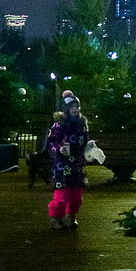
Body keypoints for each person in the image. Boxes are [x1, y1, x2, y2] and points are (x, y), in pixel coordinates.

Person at [47, 93, 91, 230]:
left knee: (77, 195)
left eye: (76, 106)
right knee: (62, 193)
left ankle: (71, 216)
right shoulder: (60, 124)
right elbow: (52, 142)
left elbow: (85, 141)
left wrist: (90, 147)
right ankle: (56, 218)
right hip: (63, 164)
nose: (74, 109)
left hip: (77, 164)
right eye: (71, 107)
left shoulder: (82, 124)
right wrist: (59, 149)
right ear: (66, 108)